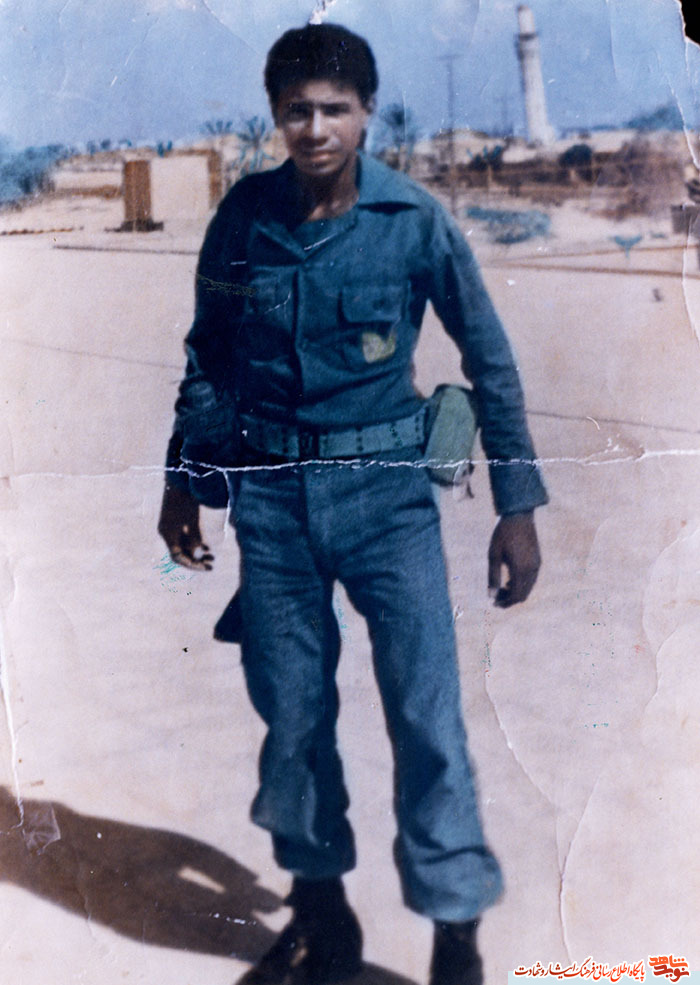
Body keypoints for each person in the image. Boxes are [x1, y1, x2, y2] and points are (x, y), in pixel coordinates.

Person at [158, 22, 548, 985]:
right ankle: (321, 914)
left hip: (388, 503)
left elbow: (489, 360)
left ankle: (456, 934)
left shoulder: (413, 220)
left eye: (335, 108)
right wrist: (185, 481)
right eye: (297, 109)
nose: (316, 127)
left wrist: (517, 503)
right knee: (292, 722)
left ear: (368, 113)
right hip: (273, 507)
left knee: (426, 718)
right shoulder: (245, 218)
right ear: (276, 115)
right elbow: (208, 353)